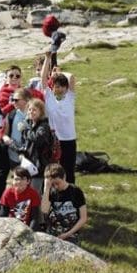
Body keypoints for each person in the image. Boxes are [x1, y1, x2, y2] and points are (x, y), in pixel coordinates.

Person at [37, 54, 77, 183]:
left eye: (61, 86)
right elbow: (43, 79)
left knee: (69, 170)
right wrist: (47, 59)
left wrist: (58, 73)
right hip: (54, 140)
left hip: (69, 139)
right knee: (53, 170)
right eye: (55, 86)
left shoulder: (70, 97)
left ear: (66, 88)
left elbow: (71, 77)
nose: (58, 88)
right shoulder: (49, 97)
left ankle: (70, 194)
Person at [41, 163, 88, 241]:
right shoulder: (50, 191)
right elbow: (44, 210)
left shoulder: (75, 191)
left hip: (71, 234)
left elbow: (83, 218)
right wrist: (46, 189)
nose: (55, 187)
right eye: (52, 184)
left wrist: (67, 234)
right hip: (53, 233)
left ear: (64, 177)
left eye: (57, 183)